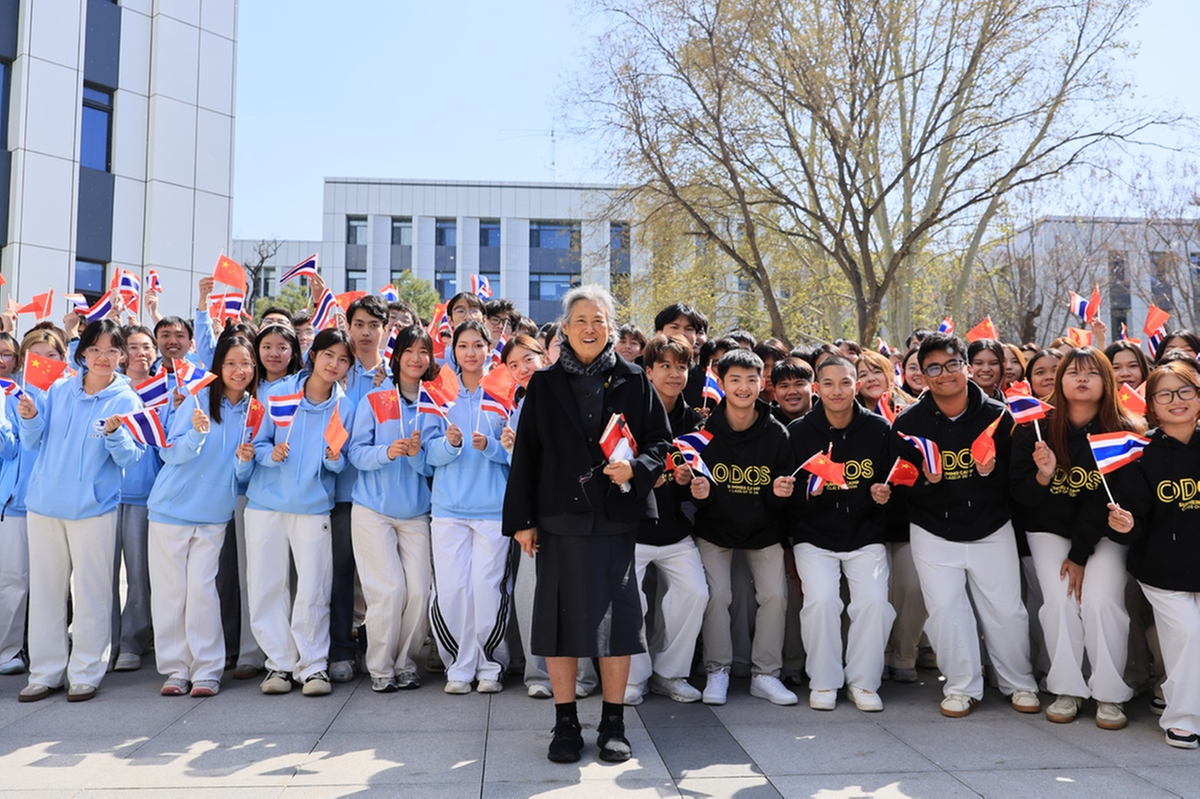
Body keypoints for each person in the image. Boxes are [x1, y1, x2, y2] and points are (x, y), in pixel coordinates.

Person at [504, 285, 670, 764]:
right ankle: (566, 722)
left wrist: (636, 468)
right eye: (580, 320)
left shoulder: (635, 380)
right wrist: (523, 521)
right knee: (558, 623)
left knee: (617, 622)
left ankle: (614, 721)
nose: (590, 328)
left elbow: (660, 443)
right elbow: (527, 457)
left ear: (611, 326)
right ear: (565, 328)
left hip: (614, 517)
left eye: (598, 320)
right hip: (558, 518)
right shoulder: (544, 384)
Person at [890, 332, 1040, 718]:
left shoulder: (999, 415)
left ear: (967, 367)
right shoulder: (909, 422)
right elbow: (901, 484)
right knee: (945, 610)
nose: (945, 375)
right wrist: (926, 480)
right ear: (921, 376)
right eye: (933, 369)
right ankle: (961, 686)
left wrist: (993, 473)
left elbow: (1017, 476)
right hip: (933, 531)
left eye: (952, 364)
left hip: (992, 528)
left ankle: (1018, 683)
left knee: (1006, 610)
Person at [1011, 347, 1143, 729]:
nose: (1081, 379)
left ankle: (1110, 695)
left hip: (1102, 533)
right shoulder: (1032, 428)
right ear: (1060, 380)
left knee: (1101, 602)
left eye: (1092, 373)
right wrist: (1044, 476)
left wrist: (1081, 555)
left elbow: (1106, 501)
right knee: (1059, 601)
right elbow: (1021, 498)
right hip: (1048, 529)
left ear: (1108, 381)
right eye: (1073, 372)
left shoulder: (1126, 431)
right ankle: (1066, 688)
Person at [17, 320, 145, 703]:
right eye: (95, 350)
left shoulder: (127, 400)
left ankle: (86, 671)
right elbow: (35, 441)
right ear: (82, 353)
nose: (103, 358)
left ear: (122, 356)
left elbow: (131, 457)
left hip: (94, 509)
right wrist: (29, 416)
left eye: (111, 351)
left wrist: (115, 433)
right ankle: (45, 672)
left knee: (91, 593)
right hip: (45, 505)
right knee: (46, 592)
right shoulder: (58, 389)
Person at [245, 328, 355, 697]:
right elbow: (256, 442)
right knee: (266, 586)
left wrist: (333, 460)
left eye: (342, 360)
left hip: (312, 507)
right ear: (314, 355)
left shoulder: (345, 407)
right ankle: (277, 664)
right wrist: (268, 454)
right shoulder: (277, 394)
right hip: (266, 504)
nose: (334, 364)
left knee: (313, 587)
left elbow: (338, 465)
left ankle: (313, 666)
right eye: (329, 355)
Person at [148, 334, 258, 697]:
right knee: (170, 594)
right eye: (230, 363)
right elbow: (170, 455)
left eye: (245, 364)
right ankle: (176, 670)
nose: (238, 370)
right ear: (218, 367)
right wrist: (195, 435)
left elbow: (241, 476)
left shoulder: (254, 412)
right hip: (170, 510)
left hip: (213, 516)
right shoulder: (196, 399)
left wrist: (244, 461)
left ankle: (207, 669)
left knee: (203, 592)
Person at [689, 349, 798, 707]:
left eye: (751, 379)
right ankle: (717, 670)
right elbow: (693, 488)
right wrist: (699, 492)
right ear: (721, 384)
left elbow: (779, 495)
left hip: (764, 531)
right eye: (734, 379)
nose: (743, 387)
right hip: (714, 531)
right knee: (717, 595)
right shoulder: (704, 432)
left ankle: (765, 674)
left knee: (775, 595)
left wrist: (780, 494)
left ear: (760, 383)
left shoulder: (777, 434)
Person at [790, 355, 895, 712]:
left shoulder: (880, 429)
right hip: (813, 536)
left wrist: (884, 495)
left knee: (874, 604)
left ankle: (864, 683)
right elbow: (788, 487)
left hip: (865, 535)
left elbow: (892, 480)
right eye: (830, 384)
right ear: (817, 389)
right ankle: (823, 681)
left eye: (846, 383)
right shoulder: (799, 432)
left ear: (858, 385)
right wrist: (806, 490)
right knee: (821, 601)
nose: (838, 391)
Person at [500, 335, 600, 700]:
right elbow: (523, 469)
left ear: (546, 356)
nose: (523, 369)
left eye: (528, 359)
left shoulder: (574, 394)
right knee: (533, 595)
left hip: (573, 512)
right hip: (536, 515)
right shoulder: (518, 405)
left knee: (580, 596)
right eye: (513, 365)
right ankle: (538, 673)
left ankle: (584, 677)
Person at [1109, 361, 1200, 749]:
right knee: (1187, 634)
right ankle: (1182, 719)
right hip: (1161, 570)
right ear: (1151, 405)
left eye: (1185, 391)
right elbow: (1137, 519)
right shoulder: (1138, 454)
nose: (1176, 401)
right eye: (1165, 394)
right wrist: (1128, 525)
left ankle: (1176, 698)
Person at [348, 325, 438, 692]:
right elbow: (355, 452)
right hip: (372, 510)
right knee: (387, 590)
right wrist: (388, 452)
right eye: (410, 351)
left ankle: (405, 664)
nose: (417, 358)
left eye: (424, 352)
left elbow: (433, 464)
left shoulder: (434, 404)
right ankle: (381, 667)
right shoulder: (376, 398)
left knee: (418, 590)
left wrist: (417, 456)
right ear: (397, 355)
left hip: (416, 511)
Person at [425, 320, 512, 695]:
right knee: (453, 590)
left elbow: (519, 455)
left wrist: (493, 446)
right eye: (463, 346)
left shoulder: (506, 391)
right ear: (453, 349)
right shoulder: (439, 391)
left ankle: (490, 664)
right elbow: (425, 454)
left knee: (487, 589)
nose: (471, 353)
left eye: (478, 345)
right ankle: (459, 665)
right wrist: (450, 445)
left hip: (493, 509)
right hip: (447, 508)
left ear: (490, 349)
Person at [625, 334, 708, 706]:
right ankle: (633, 677)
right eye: (665, 366)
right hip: (631, 530)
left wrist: (695, 485)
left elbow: (705, 478)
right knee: (630, 602)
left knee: (695, 593)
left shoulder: (696, 420)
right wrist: (641, 477)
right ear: (648, 371)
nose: (675, 374)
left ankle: (670, 673)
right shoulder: (627, 415)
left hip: (676, 532)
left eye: (682, 366)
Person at [328, 295, 392, 683]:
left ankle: (373, 647)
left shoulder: (394, 375)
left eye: (374, 325)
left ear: (385, 330)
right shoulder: (335, 371)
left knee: (376, 580)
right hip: (338, 492)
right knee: (340, 575)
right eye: (359, 324)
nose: (366, 332)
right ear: (348, 327)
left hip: (378, 495)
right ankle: (340, 649)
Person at [0, 330, 65, 678]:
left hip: (58, 504)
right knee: (13, 582)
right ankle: (9, 650)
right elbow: (8, 449)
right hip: (16, 503)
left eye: (51, 355)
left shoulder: (69, 392)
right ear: (24, 359)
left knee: (52, 584)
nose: (43, 361)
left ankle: (47, 652)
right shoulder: (8, 393)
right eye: (35, 354)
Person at [109, 325, 163, 673]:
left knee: (140, 574)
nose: (141, 352)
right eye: (133, 346)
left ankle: (132, 640)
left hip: (146, 494)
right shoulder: (111, 389)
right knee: (102, 574)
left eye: (147, 346)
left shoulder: (165, 391)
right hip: (107, 494)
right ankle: (106, 642)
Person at [770, 358, 813, 424]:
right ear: (774, 393)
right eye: (784, 386)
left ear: (813, 388)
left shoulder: (829, 418)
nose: (792, 392)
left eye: (799, 384)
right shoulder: (766, 425)